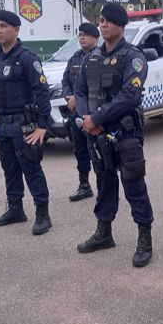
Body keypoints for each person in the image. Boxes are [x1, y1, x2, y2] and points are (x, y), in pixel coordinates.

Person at [73, 3, 155, 267]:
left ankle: (144, 239)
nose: (103, 24)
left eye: (108, 20)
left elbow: (130, 96)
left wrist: (96, 118)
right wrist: (88, 119)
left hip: (125, 134)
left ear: (121, 25)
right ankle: (104, 233)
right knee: (104, 185)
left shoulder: (133, 57)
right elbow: (81, 90)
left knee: (134, 187)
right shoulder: (91, 57)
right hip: (96, 135)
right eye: (101, 19)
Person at [0, 10, 53, 235]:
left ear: (16, 30)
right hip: (2, 126)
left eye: (4, 26)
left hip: (23, 125)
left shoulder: (27, 58)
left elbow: (42, 92)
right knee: (10, 170)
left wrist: (42, 126)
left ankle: (43, 214)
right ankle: (15, 208)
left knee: (31, 169)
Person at [61, 23, 100, 202]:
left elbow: (97, 85)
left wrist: (78, 98)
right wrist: (69, 97)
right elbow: (65, 81)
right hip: (75, 115)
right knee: (80, 150)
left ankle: (103, 185)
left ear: (95, 37)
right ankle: (84, 185)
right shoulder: (75, 58)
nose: (82, 38)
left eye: (85, 35)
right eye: (80, 35)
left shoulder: (100, 57)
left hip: (94, 114)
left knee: (98, 151)